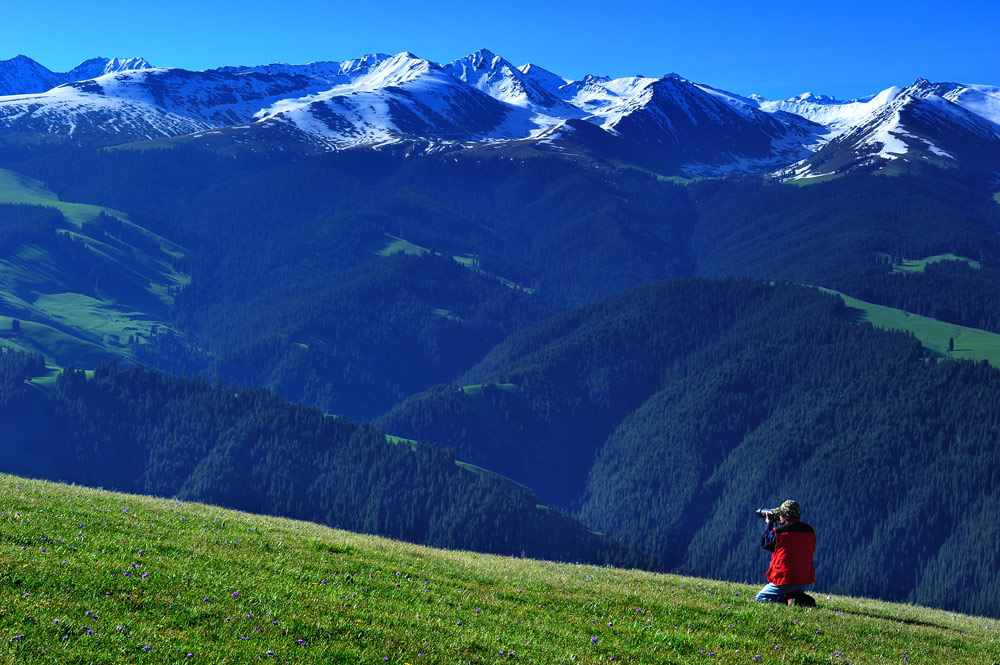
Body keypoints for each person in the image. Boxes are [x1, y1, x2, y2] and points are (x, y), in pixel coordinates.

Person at [755, 499, 816, 605]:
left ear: (787, 515)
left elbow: (766, 543)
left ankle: (788, 601)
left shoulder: (780, 532)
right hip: (802, 579)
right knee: (791, 590)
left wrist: (769, 524)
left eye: (781, 514)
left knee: (760, 598)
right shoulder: (810, 530)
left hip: (785, 579)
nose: (780, 517)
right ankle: (796, 597)